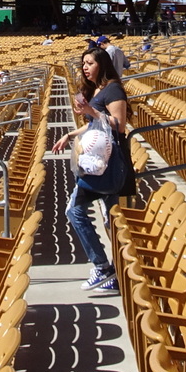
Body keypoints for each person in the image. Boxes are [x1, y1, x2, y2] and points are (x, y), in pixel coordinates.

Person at [52, 47, 129, 295]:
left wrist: (91, 111)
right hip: (99, 161)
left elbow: (118, 125)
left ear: (102, 65)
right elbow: (97, 125)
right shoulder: (97, 90)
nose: (85, 67)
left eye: (90, 63)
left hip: (110, 163)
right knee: (110, 219)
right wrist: (70, 134)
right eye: (83, 63)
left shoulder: (113, 88)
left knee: (75, 211)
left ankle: (103, 266)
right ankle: (118, 271)